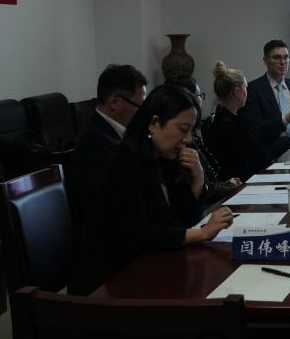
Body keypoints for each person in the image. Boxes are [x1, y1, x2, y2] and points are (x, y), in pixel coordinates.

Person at [69, 85, 234, 294]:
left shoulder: (164, 158)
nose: (188, 139)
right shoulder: (124, 161)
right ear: (154, 123)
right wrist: (201, 233)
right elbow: (140, 234)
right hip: (112, 280)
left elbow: (185, 220)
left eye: (191, 130)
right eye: (183, 129)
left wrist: (198, 176)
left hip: (151, 265)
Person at [70, 64, 147, 216]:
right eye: (141, 107)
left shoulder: (119, 133)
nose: (144, 114)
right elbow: (119, 198)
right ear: (114, 102)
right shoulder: (94, 143)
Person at [164, 73, 242, 204]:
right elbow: (193, 197)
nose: (201, 100)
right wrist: (227, 185)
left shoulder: (193, 135)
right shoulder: (177, 146)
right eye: (199, 96)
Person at [205, 61, 274, 181]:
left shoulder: (231, 119)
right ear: (237, 92)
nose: (247, 92)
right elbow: (244, 164)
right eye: (245, 87)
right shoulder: (228, 126)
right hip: (242, 183)